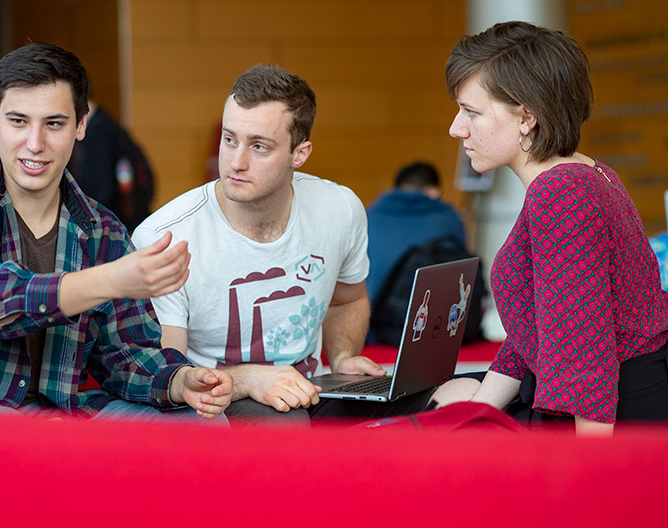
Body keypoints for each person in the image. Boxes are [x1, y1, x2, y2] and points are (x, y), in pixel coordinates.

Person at [0, 43, 232, 421]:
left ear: (80, 125)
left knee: (203, 425)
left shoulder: (103, 230)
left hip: (58, 412)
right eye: (18, 121)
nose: (35, 144)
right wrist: (108, 280)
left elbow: (125, 356)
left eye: (54, 123)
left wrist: (180, 381)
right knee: (13, 435)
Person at [133, 65, 460, 424]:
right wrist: (246, 380)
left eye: (259, 146)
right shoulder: (165, 236)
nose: (236, 162)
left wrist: (343, 357)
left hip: (312, 389)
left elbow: (347, 298)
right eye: (230, 140)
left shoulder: (339, 208)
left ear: (300, 153)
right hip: (218, 403)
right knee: (284, 423)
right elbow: (168, 377)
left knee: (458, 395)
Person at [445, 21, 668, 435]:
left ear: (526, 116)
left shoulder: (560, 192)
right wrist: (475, 412)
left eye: (471, 111)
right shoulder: (584, 171)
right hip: (611, 401)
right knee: (446, 404)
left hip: (613, 421)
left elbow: (587, 361)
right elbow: (541, 324)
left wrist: (582, 482)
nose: (457, 128)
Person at [364, 162, 466, 303]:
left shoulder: (369, 215)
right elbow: (459, 274)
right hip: (426, 315)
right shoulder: (448, 218)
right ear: (434, 192)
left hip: (372, 314)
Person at [67, 98, 154, 232]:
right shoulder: (109, 124)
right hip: (127, 219)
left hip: (112, 225)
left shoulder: (97, 132)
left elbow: (100, 190)